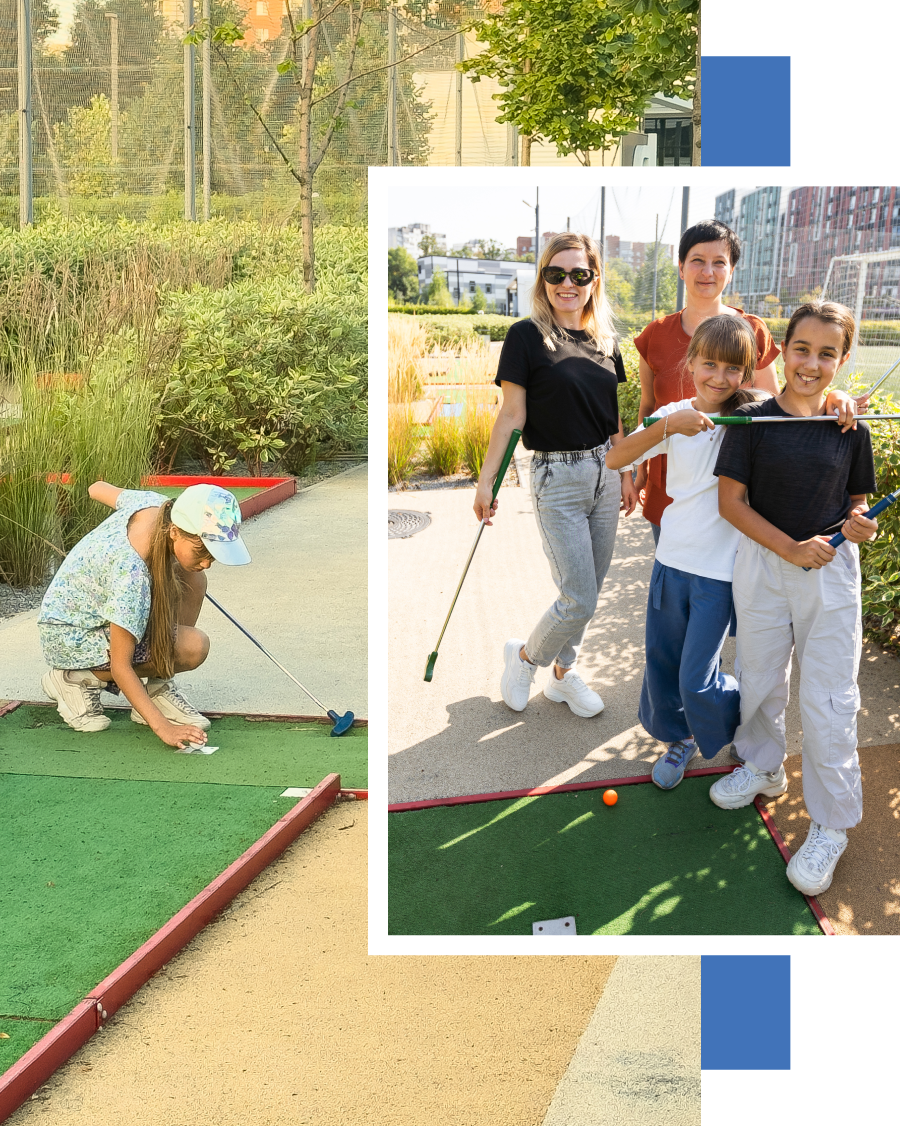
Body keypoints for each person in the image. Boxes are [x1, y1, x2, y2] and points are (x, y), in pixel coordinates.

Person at [606, 316, 860, 789]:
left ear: (747, 373)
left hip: (721, 573)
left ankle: (739, 716)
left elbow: (803, 402)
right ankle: (677, 738)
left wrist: (837, 399)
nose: (720, 378)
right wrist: (666, 428)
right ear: (691, 363)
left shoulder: (753, 414)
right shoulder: (675, 414)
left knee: (695, 678)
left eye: (733, 369)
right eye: (709, 365)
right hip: (671, 561)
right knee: (662, 663)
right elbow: (616, 459)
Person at [710, 301, 878, 897]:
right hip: (765, 562)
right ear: (781, 350)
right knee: (757, 674)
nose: (811, 363)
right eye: (801, 349)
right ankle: (763, 766)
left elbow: (859, 506)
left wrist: (861, 525)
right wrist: (788, 547)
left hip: (829, 569)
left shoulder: (848, 425)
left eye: (826, 353)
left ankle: (831, 825)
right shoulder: (754, 419)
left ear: (842, 359)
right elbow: (732, 503)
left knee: (830, 698)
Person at [472, 232, 639, 717]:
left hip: (605, 475)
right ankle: (526, 658)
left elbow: (613, 420)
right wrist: (487, 482)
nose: (568, 283)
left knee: (590, 588)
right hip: (556, 476)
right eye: (556, 273)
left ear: (594, 280)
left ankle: (563, 677)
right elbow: (511, 415)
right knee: (579, 595)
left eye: (579, 274)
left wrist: (625, 471)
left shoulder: (607, 340)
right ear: (543, 279)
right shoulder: (526, 336)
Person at [38, 483, 251, 748]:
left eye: (213, 554)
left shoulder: (159, 506)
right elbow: (121, 666)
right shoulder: (132, 573)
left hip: (89, 607)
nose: (208, 561)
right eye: (202, 551)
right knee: (193, 647)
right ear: (175, 531)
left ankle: (159, 685)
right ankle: (73, 678)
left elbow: (96, 488)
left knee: (194, 577)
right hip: (71, 633)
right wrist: (164, 728)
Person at [634, 220, 782, 548]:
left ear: (731, 271)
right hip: (669, 485)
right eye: (698, 260)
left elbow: (772, 408)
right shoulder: (655, 334)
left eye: (719, 263)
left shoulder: (752, 331)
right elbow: (648, 408)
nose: (708, 271)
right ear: (681, 267)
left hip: (733, 488)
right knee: (671, 576)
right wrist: (639, 471)